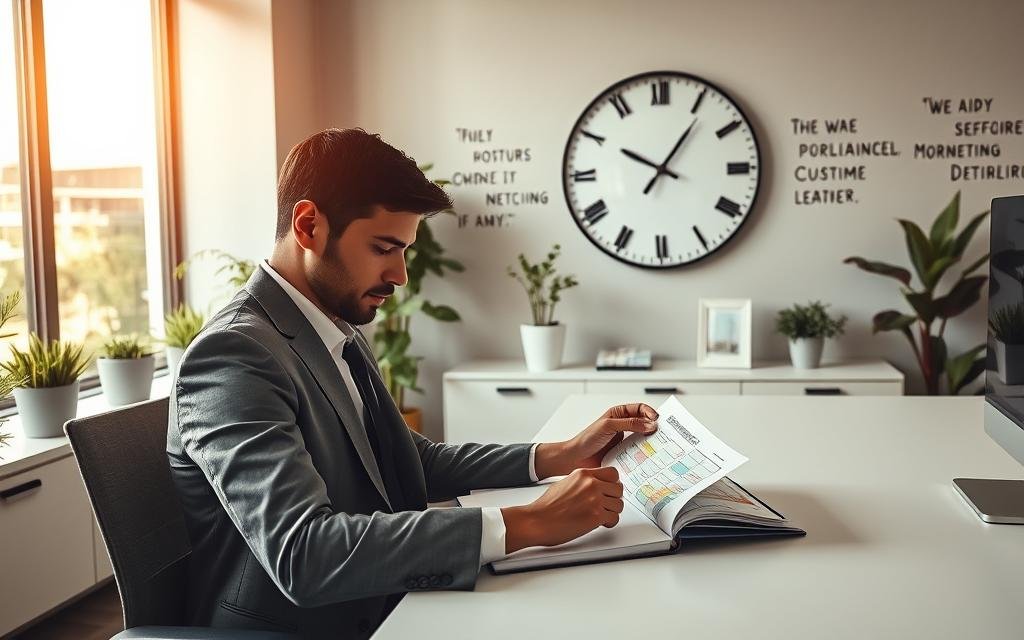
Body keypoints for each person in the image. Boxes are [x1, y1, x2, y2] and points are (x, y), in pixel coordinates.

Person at [166, 128, 659, 639]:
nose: (400, 275)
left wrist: (560, 454)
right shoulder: (234, 355)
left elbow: (406, 460)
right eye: (384, 248)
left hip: (385, 598)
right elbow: (303, 554)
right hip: (302, 627)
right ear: (309, 225)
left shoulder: (333, 327)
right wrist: (526, 524)